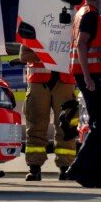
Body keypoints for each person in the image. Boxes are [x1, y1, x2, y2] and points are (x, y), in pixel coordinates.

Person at [66, 0, 101, 188]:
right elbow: (82, 45)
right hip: (91, 77)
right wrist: (88, 78)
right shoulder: (90, 15)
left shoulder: (82, 13)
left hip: (93, 75)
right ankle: (79, 167)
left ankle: (96, 174)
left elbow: (95, 49)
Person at [19, 43, 76, 182]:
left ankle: (66, 167)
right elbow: (24, 56)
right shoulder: (33, 31)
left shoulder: (72, 31)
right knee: (35, 126)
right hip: (38, 82)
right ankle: (34, 168)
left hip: (65, 80)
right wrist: (49, 54)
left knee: (66, 127)